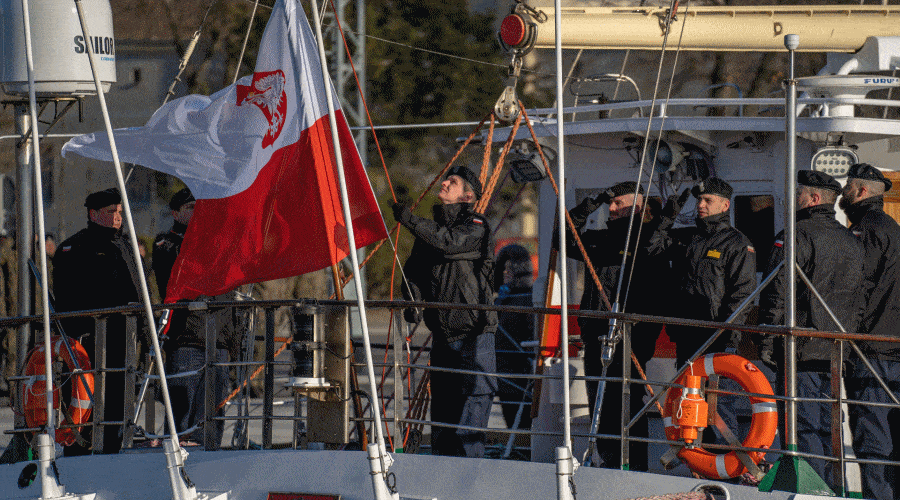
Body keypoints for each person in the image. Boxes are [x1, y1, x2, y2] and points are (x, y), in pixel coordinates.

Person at [758, 170, 866, 488]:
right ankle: (835, 487)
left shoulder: (795, 234)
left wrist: (768, 339)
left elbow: (776, 290)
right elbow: (859, 299)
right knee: (828, 425)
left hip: (800, 350)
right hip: (837, 352)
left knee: (802, 425)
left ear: (813, 199)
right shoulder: (852, 241)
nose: (793, 200)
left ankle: (812, 490)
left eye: (798, 194)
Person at [566, 181, 671, 470]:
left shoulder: (650, 239)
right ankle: (606, 462)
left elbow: (658, 289)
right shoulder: (599, 239)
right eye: (609, 203)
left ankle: (631, 467)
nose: (611, 208)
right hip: (595, 333)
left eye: (618, 203)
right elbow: (562, 237)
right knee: (598, 402)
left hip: (631, 336)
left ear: (638, 206)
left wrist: (644, 335)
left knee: (626, 405)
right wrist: (590, 203)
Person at [393, 165, 497, 458]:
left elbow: (451, 243)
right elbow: (413, 270)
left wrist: (410, 220)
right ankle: (442, 473)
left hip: (474, 335)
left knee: (472, 413)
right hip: (443, 335)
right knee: (443, 418)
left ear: (467, 195)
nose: (445, 182)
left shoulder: (476, 224)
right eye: (446, 178)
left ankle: (469, 478)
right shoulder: (431, 232)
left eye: (453, 181)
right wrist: (413, 299)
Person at [54, 188, 143, 454]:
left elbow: (139, 290)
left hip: (122, 337)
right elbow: (68, 296)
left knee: (119, 400)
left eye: (119, 212)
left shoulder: (125, 245)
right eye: (111, 212)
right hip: (87, 339)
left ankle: (114, 449)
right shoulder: (75, 247)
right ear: (93, 214)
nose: (117, 217)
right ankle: (78, 451)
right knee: (84, 401)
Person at [153, 187, 235, 448]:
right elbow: (178, 270)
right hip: (186, 336)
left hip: (218, 336)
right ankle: (174, 451)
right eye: (190, 208)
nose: (198, 212)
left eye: (201, 206)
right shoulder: (166, 243)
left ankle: (209, 450)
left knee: (214, 406)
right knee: (182, 403)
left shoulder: (218, 240)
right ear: (176, 213)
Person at [839, 163, 900, 500]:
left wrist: (848, 338)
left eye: (847, 185)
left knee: (873, 438)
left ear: (860, 191)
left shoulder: (864, 231)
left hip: (870, 352)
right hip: (892, 347)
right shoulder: (894, 228)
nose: (843, 192)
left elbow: (856, 291)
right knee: (892, 440)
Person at [652, 177, 757, 367]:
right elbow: (652, 248)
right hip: (685, 332)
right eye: (699, 200)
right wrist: (668, 215)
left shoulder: (737, 243)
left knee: (713, 394)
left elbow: (743, 293)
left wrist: (728, 336)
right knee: (686, 392)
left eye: (708, 200)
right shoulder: (687, 237)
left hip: (716, 335)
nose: (700, 204)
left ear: (725, 205)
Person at [493, 244, 535, 431]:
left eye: (510, 269)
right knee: (511, 417)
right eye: (504, 269)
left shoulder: (527, 300)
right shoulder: (503, 299)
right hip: (504, 371)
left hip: (519, 372)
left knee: (521, 420)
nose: (506, 273)